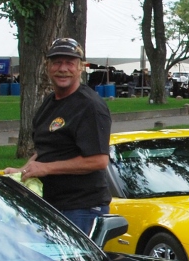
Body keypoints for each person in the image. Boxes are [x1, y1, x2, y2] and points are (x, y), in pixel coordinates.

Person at [7, 38, 111, 235]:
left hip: (81, 209)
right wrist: (23, 171)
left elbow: (98, 160)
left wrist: (46, 169)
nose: (62, 68)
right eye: (56, 62)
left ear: (81, 67)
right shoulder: (49, 102)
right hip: (50, 205)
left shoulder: (90, 106)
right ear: (48, 67)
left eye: (69, 63)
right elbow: (46, 150)